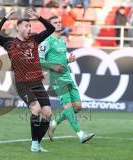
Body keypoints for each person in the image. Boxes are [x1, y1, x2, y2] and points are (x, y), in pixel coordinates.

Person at [0, 9, 55, 152]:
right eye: (26, 26)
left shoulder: (35, 40)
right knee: (36, 109)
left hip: (37, 82)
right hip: (22, 83)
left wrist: (39, 17)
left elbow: (51, 28)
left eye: (30, 26)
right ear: (18, 28)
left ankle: (37, 143)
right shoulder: (9, 43)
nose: (29, 28)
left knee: (48, 114)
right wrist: (5, 18)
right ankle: (34, 144)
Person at [38, 15, 94, 143]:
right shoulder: (46, 41)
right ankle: (80, 134)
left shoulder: (62, 41)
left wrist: (68, 60)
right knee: (68, 107)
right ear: (49, 25)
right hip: (57, 79)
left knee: (78, 106)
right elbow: (39, 60)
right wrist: (52, 66)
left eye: (59, 22)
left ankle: (53, 124)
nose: (58, 24)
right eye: (55, 22)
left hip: (67, 76)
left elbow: (61, 61)